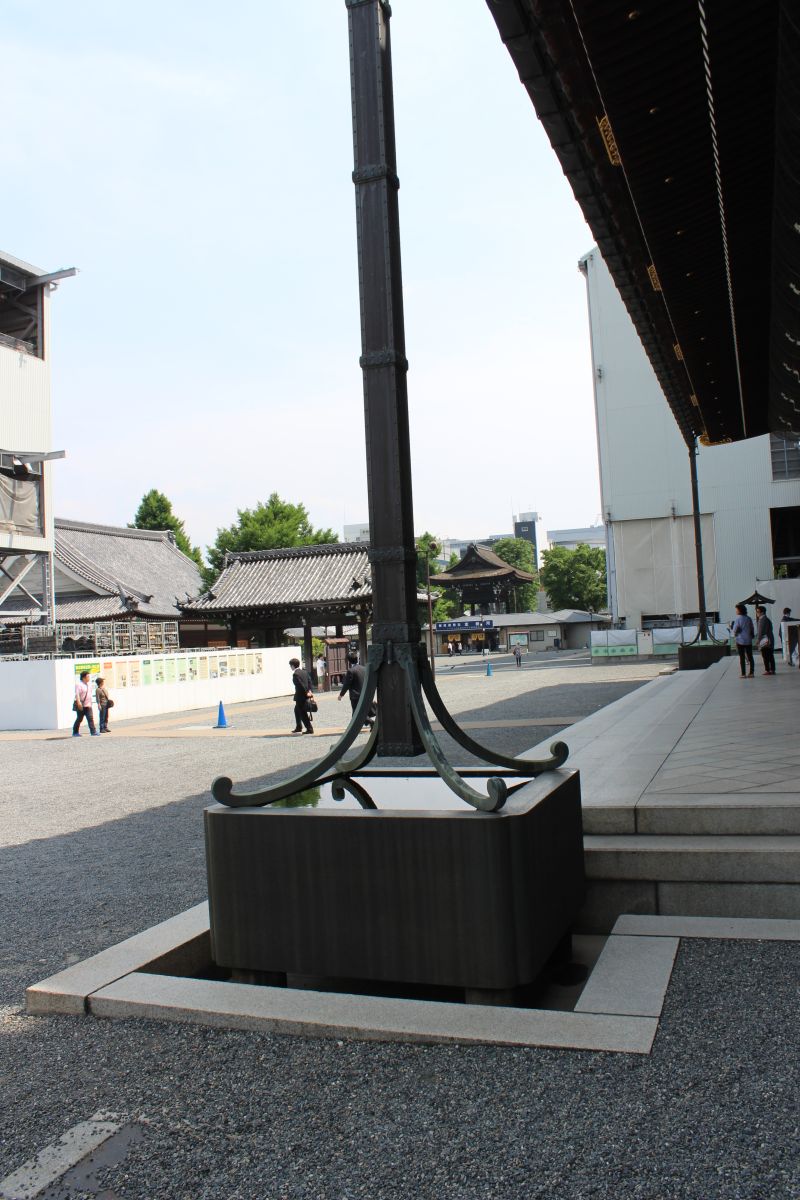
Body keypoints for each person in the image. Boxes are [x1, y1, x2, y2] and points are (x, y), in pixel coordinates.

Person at [337, 652, 376, 729]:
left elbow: (346, 685)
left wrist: (341, 695)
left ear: (348, 661)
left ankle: (371, 722)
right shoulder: (364, 669)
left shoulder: (351, 671)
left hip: (356, 696)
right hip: (365, 694)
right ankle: (358, 727)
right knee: (361, 712)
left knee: (356, 714)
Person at [289, 657, 314, 734]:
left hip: (301, 696)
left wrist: (306, 692)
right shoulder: (304, 672)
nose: (290, 667)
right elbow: (309, 682)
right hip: (305, 694)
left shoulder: (295, 674)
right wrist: (310, 691)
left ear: (293, 666)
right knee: (297, 710)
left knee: (302, 713)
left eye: (290, 665)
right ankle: (298, 727)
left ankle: (309, 729)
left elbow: (300, 685)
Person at [730, 604, 755, 678]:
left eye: (737, 609)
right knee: (750, 656)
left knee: (742, 657)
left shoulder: (738, 619)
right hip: (748, 640)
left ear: (740, 610)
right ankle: (751, 673)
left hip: (740, 640)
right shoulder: (749, 618)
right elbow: (752, 628)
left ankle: (743, 674)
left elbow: (735, 630)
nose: (736, 611)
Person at [72, 670, 98, 736]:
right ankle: (75, 732)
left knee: (90, 718)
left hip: (88, 705)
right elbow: (77, 694)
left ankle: (93, 732)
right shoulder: (79, 685)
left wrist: (91, 702)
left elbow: (89, 694)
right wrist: (79, 703)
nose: (89, 678)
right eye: (87, 677)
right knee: (79, 719)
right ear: (83, 678)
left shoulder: (89, 685)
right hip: (81, 705)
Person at [755, 605, 776, 675]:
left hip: (765, 640)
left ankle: (768, 670)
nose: (757, 613)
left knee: (766, 655)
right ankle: (772, 669)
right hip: (769, 639)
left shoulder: (763, 619)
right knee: (770, 655)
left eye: (758, 612)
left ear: (762, 612)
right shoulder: (766, 619)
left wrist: (758, 640)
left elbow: (761, 631)